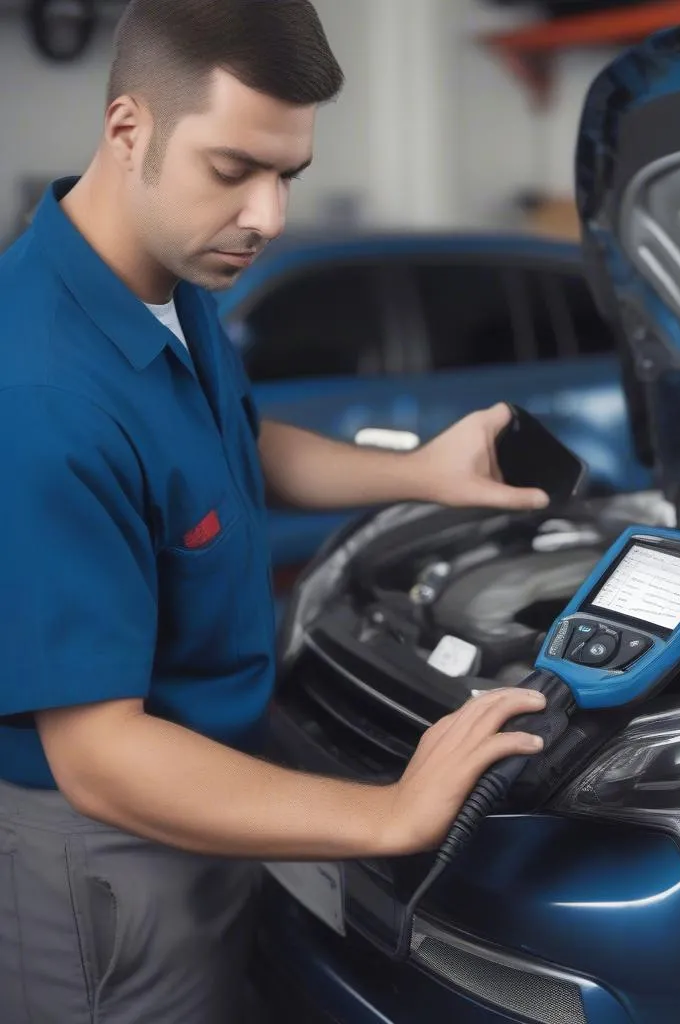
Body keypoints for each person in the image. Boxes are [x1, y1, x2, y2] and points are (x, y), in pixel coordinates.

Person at [0, 1, 553, 1021]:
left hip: (209, 792)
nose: (270, 216)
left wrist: (422, 472)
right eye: (233, 169)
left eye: (286, 174)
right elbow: (103, 759)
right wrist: (389, 813)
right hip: (110, 853)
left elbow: (233, 445)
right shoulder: (38, 392)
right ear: (129, 129)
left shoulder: (166, 275)